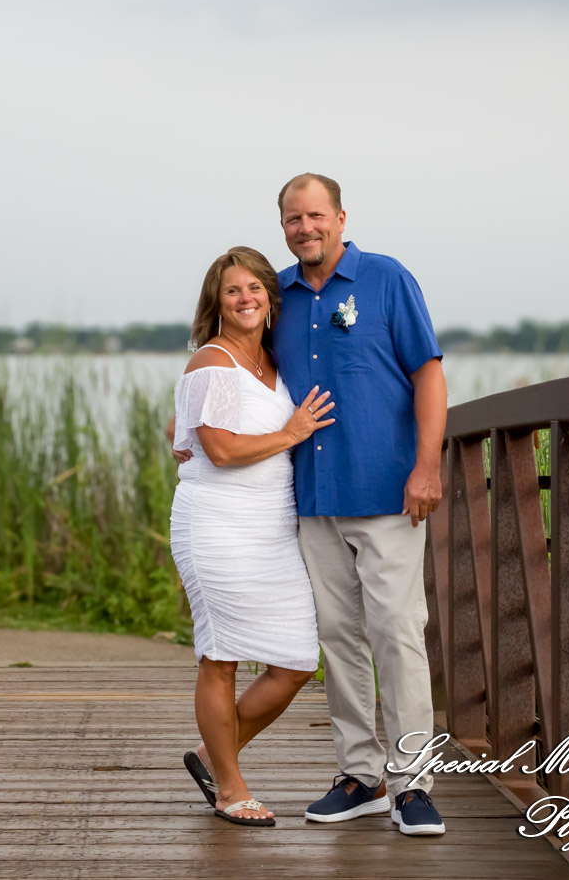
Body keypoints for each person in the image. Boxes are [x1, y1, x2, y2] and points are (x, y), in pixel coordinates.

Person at [171, 174, 448, 836]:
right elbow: (223, 388)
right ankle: (360, 774)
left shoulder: (386, 279)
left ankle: (413, 783)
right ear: (284, 228)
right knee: (338, 640)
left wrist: (428, 465)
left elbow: (428, 371)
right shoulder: (282, 299)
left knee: (398, 635)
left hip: (386, 494)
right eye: (293, 219)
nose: (305, 228)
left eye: (315, 215)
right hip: (311, 503)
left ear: (340, 217)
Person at [171, 245, 335, 827]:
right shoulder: (213, 360)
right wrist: (292, 433)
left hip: (271, 526)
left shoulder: (271, 359)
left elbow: (188, 429)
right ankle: (229, 788)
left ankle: (213, 755)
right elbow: (218, 448)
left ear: (271, 298)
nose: (245, 299)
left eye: (255, 289)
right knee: (221, 657)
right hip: (217, 522)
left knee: (294, 662)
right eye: (232, 290)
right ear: (217, 301)